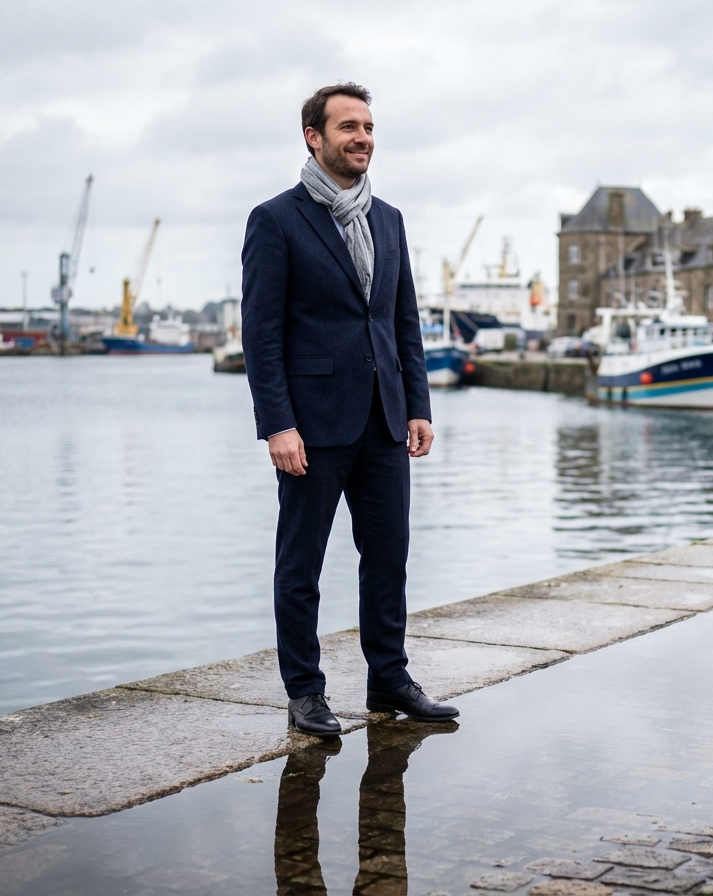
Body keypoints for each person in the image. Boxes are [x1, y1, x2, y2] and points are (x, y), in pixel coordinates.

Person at [242, 82, 458, 737]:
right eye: (348, 127)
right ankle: (305, 692)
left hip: (385, 420)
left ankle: (389, 678)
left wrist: (417, 405)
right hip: (311, 426)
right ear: (315, 138)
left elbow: (402, 321)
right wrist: (278, 424)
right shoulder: (276, 220)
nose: (362, 137)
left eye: (367, 127)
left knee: (388, 557)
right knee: (301, 565)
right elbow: (261, 334)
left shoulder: (388, 219)